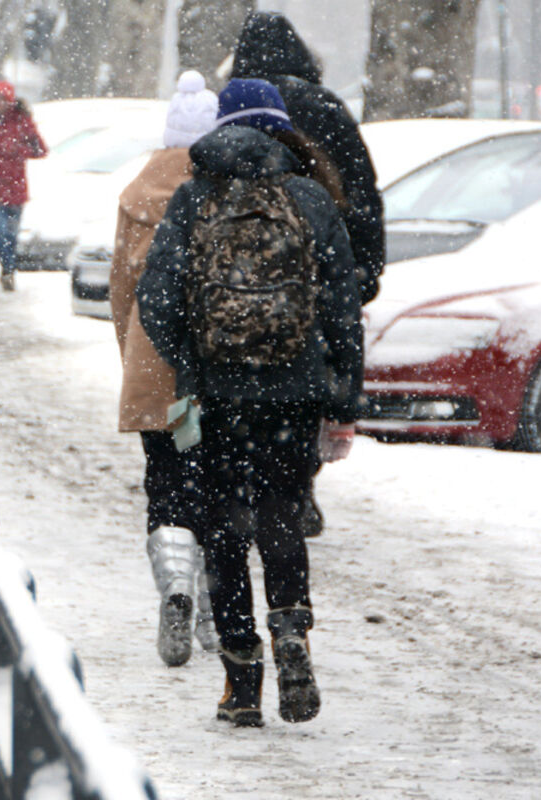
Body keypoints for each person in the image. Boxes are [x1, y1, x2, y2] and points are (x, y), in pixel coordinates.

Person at [137, 79, 363, 727]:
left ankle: (241, 685)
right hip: (293, 394)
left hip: (214, 397)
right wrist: (342, 394)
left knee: (224, 534)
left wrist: (192, 356)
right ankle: (292, 630)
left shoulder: (194, 196)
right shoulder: (310, 197)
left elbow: (156, 297)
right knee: (281, 516)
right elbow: (343, 306)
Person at [231, 11, 385, 538]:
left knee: (247, 380)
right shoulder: (326, 108)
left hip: (244, 272)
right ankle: (295, 484)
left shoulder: (234, 107)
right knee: (307, 381)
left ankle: (248, 484)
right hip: (319, 267)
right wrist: (363, 271)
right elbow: (363, 195)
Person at [110, 70, 220, 667]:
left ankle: (175, 585)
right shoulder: (221, 189)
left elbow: (121, 290)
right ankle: (211, 600)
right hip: (212, 360)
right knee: (213, 477)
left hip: (153, 358)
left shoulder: (138, 193)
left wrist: (132, 352)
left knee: (166, 479)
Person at [0, 81, 47, 291]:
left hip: (16, 188)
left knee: (11, 234)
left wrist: (18, 151)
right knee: (2, 232)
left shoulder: (21, 121)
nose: (0, 104)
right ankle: (7, 268)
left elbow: (41, 149)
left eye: (4, 99)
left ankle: (8, 268)